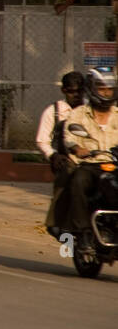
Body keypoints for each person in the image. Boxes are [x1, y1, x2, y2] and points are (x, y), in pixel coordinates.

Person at [59, 67, 118, 259]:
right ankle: (83, 233)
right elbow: (69, 137)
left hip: (114, 165)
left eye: (109, 89)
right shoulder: (78, 115)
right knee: (78, 181)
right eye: (102, 89)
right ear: (92, 89)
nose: (106, 93)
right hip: (90, 165)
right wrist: (78, 149)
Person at [38, 71, 85, 236]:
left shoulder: (89, 109)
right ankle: (56, 223)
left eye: (80, 91)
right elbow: (42, 140)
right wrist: (53, 155)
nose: (76, 95)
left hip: (91, 159)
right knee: (64, 184)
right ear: (64, 91)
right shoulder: (54, 111)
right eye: (72, 91)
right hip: (67, 161)